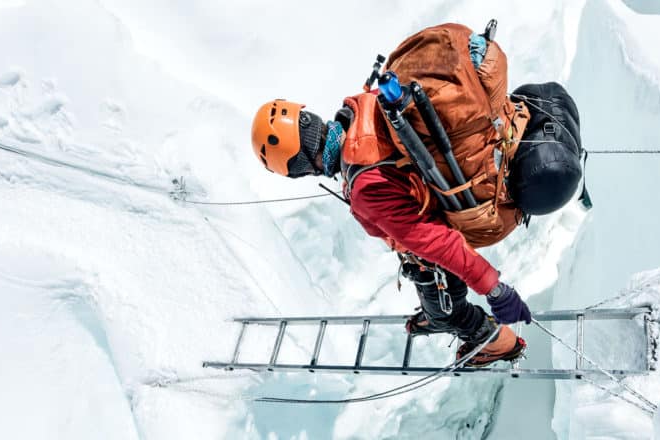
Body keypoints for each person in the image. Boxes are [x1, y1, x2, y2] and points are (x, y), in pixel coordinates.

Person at [249, 27, 582, 367]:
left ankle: (494, 341)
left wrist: (495, 290)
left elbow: (437, 242)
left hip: (475, 208)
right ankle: (441, 312)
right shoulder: (360, 108)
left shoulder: (365, 185)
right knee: (425, 271)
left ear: (301, 165)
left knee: (443, 299)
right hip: (482, 162)